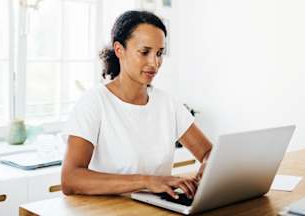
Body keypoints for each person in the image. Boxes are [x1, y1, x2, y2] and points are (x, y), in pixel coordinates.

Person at [61, 10, 212, 200]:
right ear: (119, 50)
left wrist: (205, 174)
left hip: (158, 210)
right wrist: (148, 181)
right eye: (144, 52)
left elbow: (209, 152)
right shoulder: (94, 102)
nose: (154, 63)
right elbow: (70, 179)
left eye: (159, 53)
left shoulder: (167, 104)